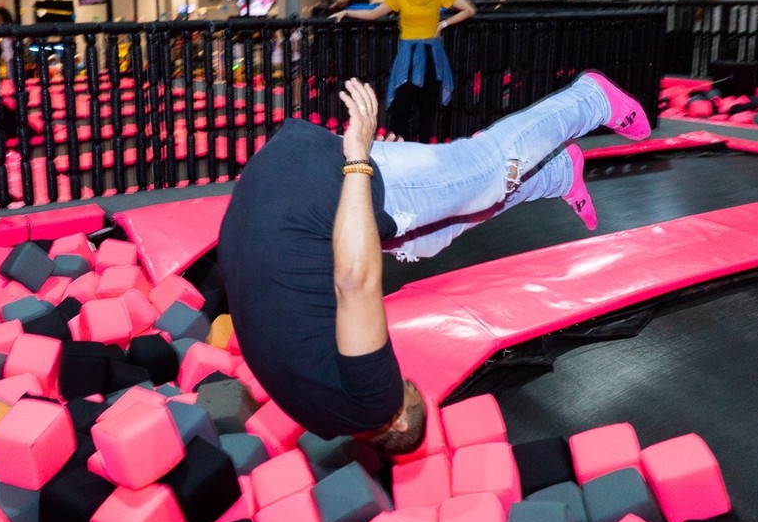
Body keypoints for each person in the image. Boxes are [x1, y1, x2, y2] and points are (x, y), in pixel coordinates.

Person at [218, 70, 650, 455]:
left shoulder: (374, 404)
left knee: (483, 174)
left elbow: (355, 281)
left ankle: (590, 99)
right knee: (425, 240)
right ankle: (554, 176)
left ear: (400, 421)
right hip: (264, 189)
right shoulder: (322, 419)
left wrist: (358, 162)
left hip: (310, 183)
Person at [331, 0, 476, 143]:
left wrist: (443, 24)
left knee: (427, 109)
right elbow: (375, 13)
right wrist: (347, 13)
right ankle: (398, 150)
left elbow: (469, 10)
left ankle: (423, 153)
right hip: (408, 55)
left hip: (431, 55)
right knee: (401, 107)